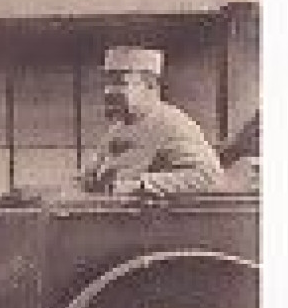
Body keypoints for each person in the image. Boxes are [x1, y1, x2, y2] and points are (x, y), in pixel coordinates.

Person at [80, 47, 222, 197]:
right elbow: (95, 173)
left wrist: (141, 185)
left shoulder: (173, 125)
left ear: (151, 87)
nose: (108, 92)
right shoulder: (119, 127)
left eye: (120, 83)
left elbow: (209, 177)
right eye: (107, 84)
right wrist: (89, 176)